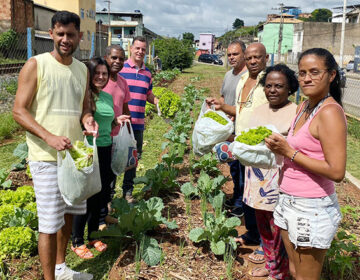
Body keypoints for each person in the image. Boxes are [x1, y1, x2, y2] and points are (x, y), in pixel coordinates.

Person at [12, 11, 95, 280]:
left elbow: (84, 109)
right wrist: (49, 137)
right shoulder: (36, 65)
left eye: (71, 34)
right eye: (60, 33)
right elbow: (19, 111)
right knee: (48, 224)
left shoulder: (82, 70)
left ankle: (61, 269)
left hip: (74, 157)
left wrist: (89, 121)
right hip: (45, 156)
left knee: (69, 214)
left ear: (80, 37)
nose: (65, 39)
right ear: (51, 34)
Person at [265, 48, 346, 280]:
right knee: (293, 270)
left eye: (314, 72)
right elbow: (301, 147)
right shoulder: (304, 107)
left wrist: (288, 152)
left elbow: (337, 171)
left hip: (311, 208)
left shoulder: (330, 112)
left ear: (331, 75)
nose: (306, 78)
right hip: (289, 200)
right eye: (302, 73)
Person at [207, 42, 269, 245]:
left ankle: (264, 241)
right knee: (247, 191)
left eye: (256, 57)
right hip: (242, 145)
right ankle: (252, 232)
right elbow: (241, 111)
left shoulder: (269, 81)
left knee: (262, 195)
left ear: (266, 58)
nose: (252, 61)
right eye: (250, 58)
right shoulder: (242, 80)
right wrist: (222, 106)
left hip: (261, 148)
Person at [245, 64, 298, 279]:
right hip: (256, 178)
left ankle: (280, 271)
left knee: (280, 227)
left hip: (280, 178)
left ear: (289, 89)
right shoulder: (258, 110)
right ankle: (270, 263)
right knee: (264, 225)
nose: (273, 90)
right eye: (268, 86)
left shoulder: (296, 112)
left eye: (279, 86)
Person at [71, 57, 124, 258]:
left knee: (99, 194)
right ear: (89, 75)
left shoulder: (107, 96)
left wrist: (116, 121)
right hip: (86, 150)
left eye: (104, 73)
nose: (101, 77)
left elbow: (106, 123)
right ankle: (77, 240)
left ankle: (93, 235)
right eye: (97, 73)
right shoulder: (84, 97)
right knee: (85, 194)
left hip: (104, 147)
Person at [119, 36, 159, 203]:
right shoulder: (120, 69)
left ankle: (127, 193)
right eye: (137, 48)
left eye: (143, 49)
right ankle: (107, 197)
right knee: (116, 157)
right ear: (131, 49)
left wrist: (157, 101)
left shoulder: (147, 73)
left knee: (133, 159)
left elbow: (148, 94)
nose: (140, 51)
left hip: (138, 124)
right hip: (120, 124)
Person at [100, 45, 131, 229]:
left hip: (117, 137)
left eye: (121, 59)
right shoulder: (99, 81)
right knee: (100, 179)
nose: (117, 62)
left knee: (112, 175)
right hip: (101, 136)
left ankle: (105, 213)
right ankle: (98, 217)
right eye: (114, 58)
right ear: (106, 57)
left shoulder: (122, 82)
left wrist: (128, 131)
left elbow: (125, 108)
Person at [219, 40, 247, 218]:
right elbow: (223, 98)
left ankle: (240, 203)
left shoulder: (248, 78)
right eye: (229, 54)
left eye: (235, 54)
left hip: (242, 129)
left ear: (243, 54)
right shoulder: (229, 75)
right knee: (233, 166)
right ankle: (237, 197)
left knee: (242, 167)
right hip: (228, 129)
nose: (231, 57)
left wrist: (234, 115)